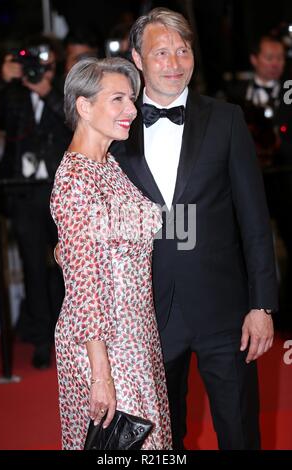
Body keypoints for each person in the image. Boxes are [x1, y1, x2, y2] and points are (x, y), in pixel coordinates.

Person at [110, 8, 278, 450]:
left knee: (240, 431)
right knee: (163, 439)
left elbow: (255, 219)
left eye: (183, 51)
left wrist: (262, 304)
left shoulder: (225, 119)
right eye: (161, 52)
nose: (174, 62)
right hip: (147, 313)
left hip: (226, 312)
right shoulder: (115, 126)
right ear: (138, 59)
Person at [50, 57, 172, 450]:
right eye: (117, 99)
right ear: (84, 106)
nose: (132, 110)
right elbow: (85, 286)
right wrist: (100, 372)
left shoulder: (109, 166)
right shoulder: (75, 179)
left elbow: (90, 244)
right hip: (103, 344)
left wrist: (64, 249)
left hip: (136, 336)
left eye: (132, 99)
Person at [0, 36, 70, 369]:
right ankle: (42, 337)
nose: (39, 71)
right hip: (24, 192)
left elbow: (78, 121)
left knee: (67, 266)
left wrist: (48, 93)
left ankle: (69, 334)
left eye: (47, 66)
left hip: (61, 193)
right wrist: (0, 81)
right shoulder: (12, 94)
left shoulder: (66, 93)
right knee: (31, 266)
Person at [226, 35, 292, 327]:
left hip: (287, 180)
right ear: (254, 59)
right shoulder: (234, 93)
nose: (276, 64)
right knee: (249, 244)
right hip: (249, 183)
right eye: (270, 57)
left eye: (280, 58)